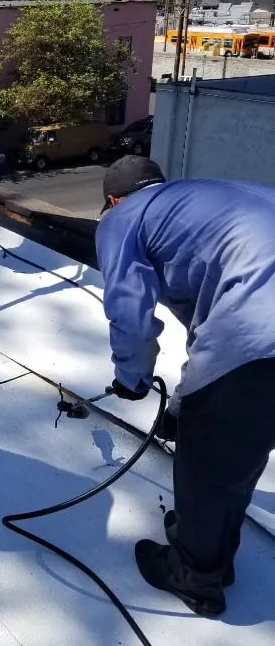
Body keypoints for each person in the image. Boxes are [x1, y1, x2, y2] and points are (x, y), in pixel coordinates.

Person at [96, 155, 275, 616]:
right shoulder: (206, 201)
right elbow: (208, 326)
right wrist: (181, 402)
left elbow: (130, 316)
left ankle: (195, 577)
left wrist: (131, 379)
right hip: (261, 327)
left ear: (114, 200)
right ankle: (213, 542)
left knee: (209, 451)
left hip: (262, 332)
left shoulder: (123, 219)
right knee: (243, 437)